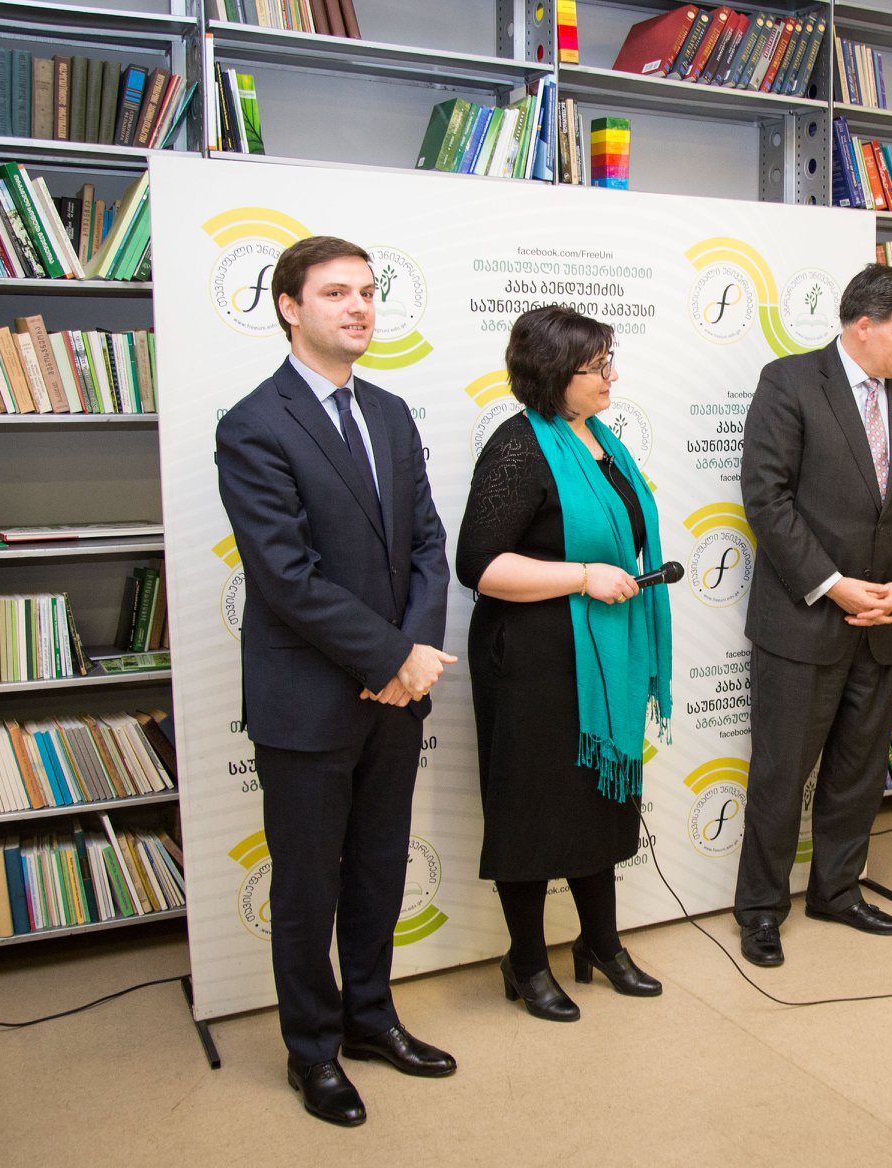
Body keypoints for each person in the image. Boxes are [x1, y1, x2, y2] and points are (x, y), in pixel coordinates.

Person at [216, 235, 458, 1126]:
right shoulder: (254, 424)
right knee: (308, 887)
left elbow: (427, 543)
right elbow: (287, 577)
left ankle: (370, 1019)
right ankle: (311, 1052)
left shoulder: (388, 412)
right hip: (309, 701)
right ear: (289, 307)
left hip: (396, 696)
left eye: (366, 292)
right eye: (335, 293)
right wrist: (390, 658)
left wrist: (412, 658)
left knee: (379, 870)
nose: (358, 307)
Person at [455, 305, 672, 1022]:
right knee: (530, 810)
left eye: (610, 361)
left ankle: (601, 944)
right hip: (532, 660)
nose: (613, 377)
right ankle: (525, 960)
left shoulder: (602, 440)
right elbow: (478, 564)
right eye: (597, 366)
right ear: (553, 374)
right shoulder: (519, 447)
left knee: (598, 801)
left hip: (600, 655)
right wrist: (581, 576)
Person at [732, 263, 892, 968]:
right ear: (863, 326)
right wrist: (833, 585)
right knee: (781, 775)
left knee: (858, 772)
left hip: (883, 623)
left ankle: (837, 891)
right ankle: (761, 910)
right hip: (804, 623)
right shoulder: (790, 383)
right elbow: (767, 500)